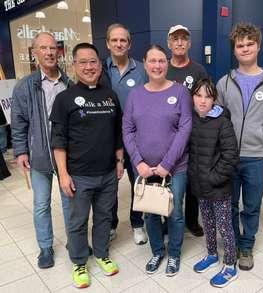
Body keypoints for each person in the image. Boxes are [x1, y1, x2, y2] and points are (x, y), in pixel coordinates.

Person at [50, 43, 123, 288]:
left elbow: (117, 133)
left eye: (93, 61)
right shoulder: (64, 99)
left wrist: (120, 161)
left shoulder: (110, 96)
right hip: (78, 176)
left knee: (103, 217)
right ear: (74, 65)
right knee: (77, 221)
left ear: (100, 65)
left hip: (108, 173)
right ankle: (79, 262)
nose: (89, 67)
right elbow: (58, 141)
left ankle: (101, 254)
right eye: (83, 62)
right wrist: (62, 174)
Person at [216, 22, 263, 271]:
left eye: (249, 44)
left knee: (252, 206)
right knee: (230, 205)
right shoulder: (224, 82)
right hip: (229, 157)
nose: (244, 49)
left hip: (257, 158)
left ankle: (246, 245)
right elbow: (217, 121)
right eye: (240, 45)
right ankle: (231, 243)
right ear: (234, 50)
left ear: (258, 46)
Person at [123, 45, 192, 276]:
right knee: (150, 212)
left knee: (175, 212)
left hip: (175, 168)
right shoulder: (135, 95)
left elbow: (185, 129)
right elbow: (128, 130)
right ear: (145, 63)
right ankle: (157, 251)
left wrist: (166, 164)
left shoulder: (181, 92)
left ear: (167, 63)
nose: (157, 65)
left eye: (162, 61)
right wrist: (138, 162)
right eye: (152, 61)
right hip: (143, 167)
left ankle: (173, 254)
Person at [11, 32, 72, 269]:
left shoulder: (69, 83)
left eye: (53, 48)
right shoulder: (25, 87)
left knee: (70, 201)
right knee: (41, 204)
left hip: (66, 156)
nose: (49, 52)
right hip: (38, 156)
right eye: (43, 48)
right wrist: (21, 151)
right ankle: (45, 247)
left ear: (59, 52)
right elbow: (18, 122)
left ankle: (73, 242)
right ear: (34, 53)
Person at [189, 78, 239, 288]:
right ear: (192, 97)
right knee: (208, 223)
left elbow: (231, 156)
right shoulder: (191, 119)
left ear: (214, 99)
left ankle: (230, 265)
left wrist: (213, 178)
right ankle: (211, 254)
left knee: (224, 226)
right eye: (198, 95)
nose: (202, 101)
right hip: (200, 186)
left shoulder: (222, 121)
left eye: (208, 96)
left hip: (218, 187)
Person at [100, 23, 147, 244]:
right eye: (114, 40)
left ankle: (138, 223)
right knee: (110, 186)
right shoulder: (99, 69)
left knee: (138, 183)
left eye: (123, 40)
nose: (119, 44)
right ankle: (111, 224)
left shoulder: (141, 70)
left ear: (129, 44)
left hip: (136, 139)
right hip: (108, 140)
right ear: (107, 43)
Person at [167, 24, 208, 237]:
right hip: (166, 136)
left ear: (189, 43)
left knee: (192, 181)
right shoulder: (162, 68)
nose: (180, 42)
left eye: (184, 38)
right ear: (169, 43)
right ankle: (168, 218)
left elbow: (206, 100)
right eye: (176, 39)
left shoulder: (198, 70)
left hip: (192, 135)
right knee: (168, 180)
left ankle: (191, 220)